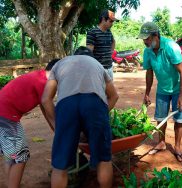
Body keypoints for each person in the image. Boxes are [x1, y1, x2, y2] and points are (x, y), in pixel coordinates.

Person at [42, 46, 119, 188]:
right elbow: (114, 96)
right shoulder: (97, 65)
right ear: (91, 56)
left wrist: (58, 124)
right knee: (104, 159)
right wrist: (100, 114)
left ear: (73, 55)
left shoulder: (60, 63)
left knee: (60, 165)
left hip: (67, 105)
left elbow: (46, 99)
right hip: (95, 104)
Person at [0, 59, 59, 188]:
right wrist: (60, 129)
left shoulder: (40, 76)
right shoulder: (46, 83)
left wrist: (55, 128)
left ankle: (11, 184)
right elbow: (48, 105)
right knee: (20, 157)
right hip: (6, 115)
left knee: (11, 156)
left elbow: (45, 107)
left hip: (3, 113)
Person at [137, 22, 182, 162]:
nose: (145, 42)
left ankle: (177, 147)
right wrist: (147, 93)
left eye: (147, 38)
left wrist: (181, 97)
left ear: (156, 36)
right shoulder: (147, 51)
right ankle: (161, 143)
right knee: (160, 117)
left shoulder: (170, 47)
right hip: (163, 88)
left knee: (179, 118)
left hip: (179, 87)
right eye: (143, 39)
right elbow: (149, 73)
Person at [86, 9, 118, 79]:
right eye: (111, 21)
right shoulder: (92, 32)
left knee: (109, 90)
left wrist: (110, 52)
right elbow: (89, 52)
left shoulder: (109, 32)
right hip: (98, 69)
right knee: (99, 89)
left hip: (109, 67)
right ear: (103, 19)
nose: (112, 23)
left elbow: (113, 41)